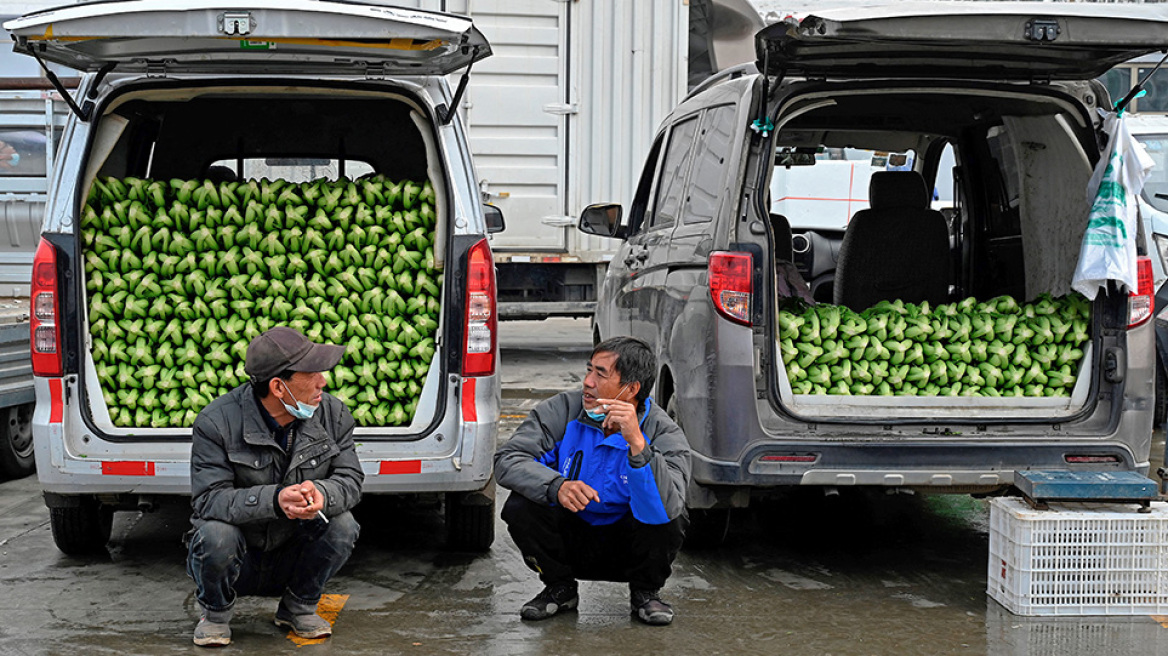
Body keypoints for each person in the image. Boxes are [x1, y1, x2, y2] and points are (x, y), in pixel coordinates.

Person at [495, 336, 691, 626]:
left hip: (630, 545)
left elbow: (667, 508)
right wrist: (557, 485)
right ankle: (560, 587)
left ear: (631, 389)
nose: (587, 382)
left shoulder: (663, 431)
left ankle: (645, 593)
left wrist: (637, 443)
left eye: (600, 374)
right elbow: (508, 460)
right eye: (589, 370)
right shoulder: (561, 411)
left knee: (671, 515)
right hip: (575, 537)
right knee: (521, 504)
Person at [186, 326, 363, 647]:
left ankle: (299, 606)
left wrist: (322, 494)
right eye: (312, 374)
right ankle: (214, 614)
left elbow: (350, 480)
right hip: (242, 555)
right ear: (279, 387)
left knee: (343, 524)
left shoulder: (333, 414)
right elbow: (209, 501)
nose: (323, 381)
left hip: (293, 547)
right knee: (214, 535)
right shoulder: (215, 422)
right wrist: (275, 499)